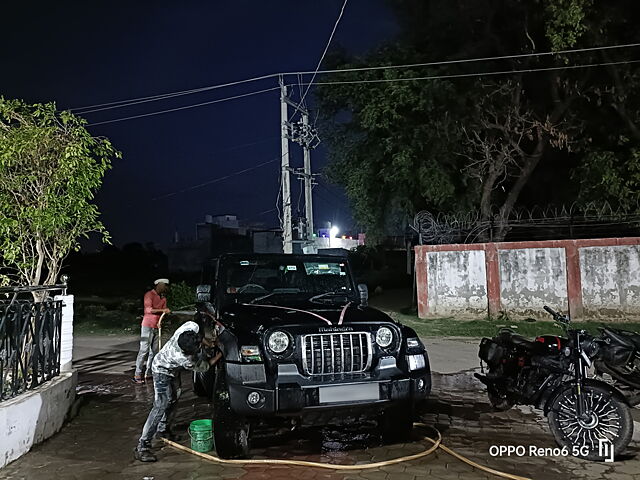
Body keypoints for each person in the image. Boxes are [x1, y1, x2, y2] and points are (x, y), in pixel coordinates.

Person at [134, 320, 221, 462]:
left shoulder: (190, 327)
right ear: (188, 352)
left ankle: (163, 430)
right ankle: (142, 445)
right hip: (161, 371)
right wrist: (220, 355)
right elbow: (205, 366)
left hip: (173, 371)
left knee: (174, 398)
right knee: (160, 405)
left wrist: (210, 343)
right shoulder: (183, 358)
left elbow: (198, 336)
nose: (200, 349)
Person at [133, 278, 171, 384]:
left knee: (154, 352)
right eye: (164, 285)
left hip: (157, 327)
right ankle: (137, 373)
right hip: (147, 325)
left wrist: (162, 318)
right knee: (144, 350)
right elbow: (148, 310)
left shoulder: (163, 298)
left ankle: (149, 373)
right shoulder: (149, 295)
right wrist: (163, 310)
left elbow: (163, 312)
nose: (165, 288)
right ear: (159, 285)